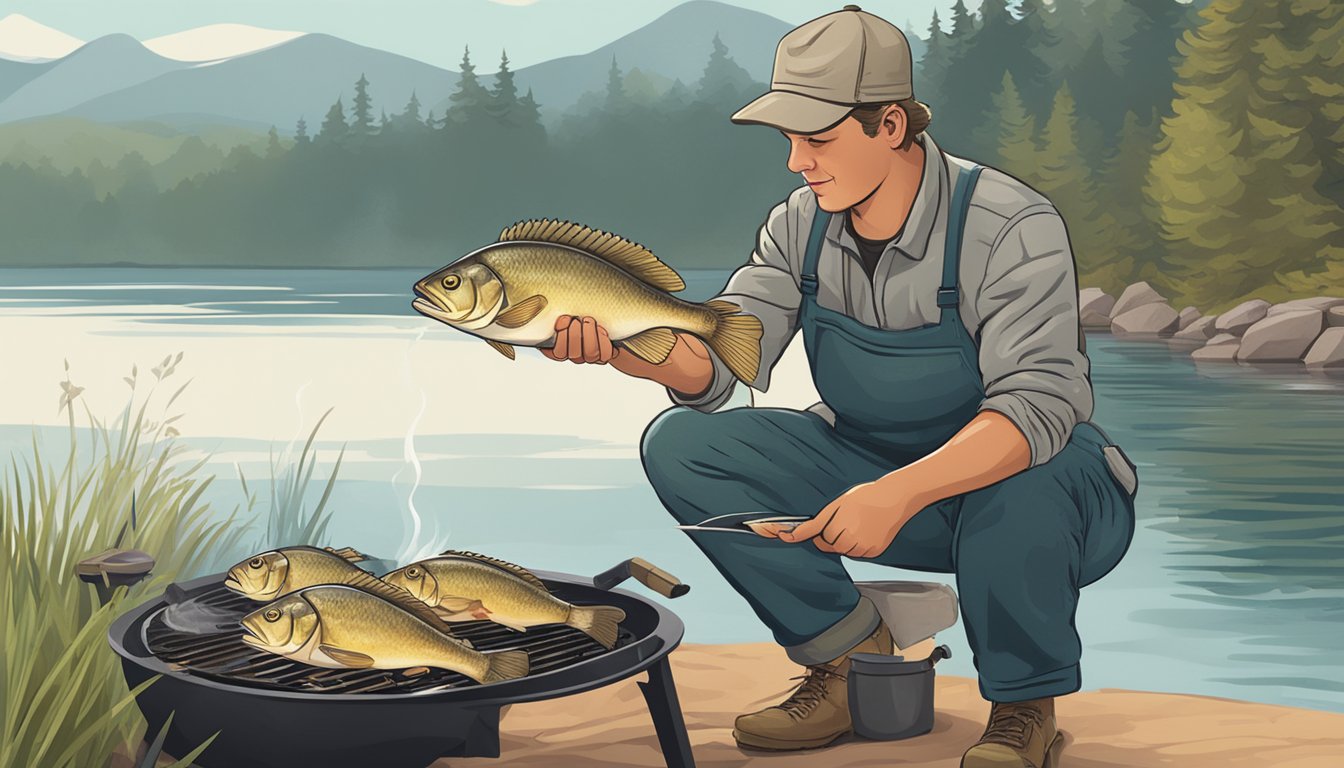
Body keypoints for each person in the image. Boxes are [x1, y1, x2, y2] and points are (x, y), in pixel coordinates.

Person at [541, 6, 1138, 767]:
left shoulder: (1009, 224)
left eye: (816, 140)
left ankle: (1024, 707)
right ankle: (848, 663)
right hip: (869, 467)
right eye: (789, 140)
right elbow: (726, 358)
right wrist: (639, 352)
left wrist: (896, 495)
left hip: (1047, 499)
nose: (797, 162)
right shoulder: (800, 224)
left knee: (1023, 477)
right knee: (684, 444)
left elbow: (1039, 406)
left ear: (890, 125)